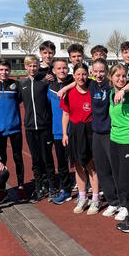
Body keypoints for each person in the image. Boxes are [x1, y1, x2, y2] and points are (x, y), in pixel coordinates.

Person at [61, 62, 101, 215]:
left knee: (91, 166)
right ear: (74, 75)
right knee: (77, 165)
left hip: (90, 130)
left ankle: (96, 199)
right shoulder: (69, 93)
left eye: (84, 74)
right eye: (78, 74)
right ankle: (82, 197)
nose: (81, 77)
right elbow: (65, 115)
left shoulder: (93, 88)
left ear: (88, 74)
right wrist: (65, 134)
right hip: (75, 131)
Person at [108, 64, 129, 231]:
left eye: (123, 76)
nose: (120, 79)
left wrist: (125, 90)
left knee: (127, 181)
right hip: (114, 140)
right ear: (111, 77)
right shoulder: (111, 93)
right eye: (117, 76)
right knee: (120, 180)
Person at [19, 55, 56, 202]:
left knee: (47, 158)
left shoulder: (45, 81)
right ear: (26, 67)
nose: (33, 68)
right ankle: (38, 186)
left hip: (44, 126)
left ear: (38, 66)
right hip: (29, 127)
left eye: (35, 65)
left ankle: (52, 186)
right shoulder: (22, 84)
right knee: (35, 159)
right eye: (30, 66)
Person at [0, 59, 25, 201]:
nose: (4, 72)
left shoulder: (16, 85)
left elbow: (21, 100)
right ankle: (2, 188)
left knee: (18, 158)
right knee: (1, 159)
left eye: (6, 70)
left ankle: (21, 186)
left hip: (15, 128)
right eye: (1, 70)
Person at [47, 58, 74, 204]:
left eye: (64, 68)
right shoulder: (50, 87)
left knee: (80, 162)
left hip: (75, 130)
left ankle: (85, 190)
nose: (62, 70)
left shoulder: (74, 84)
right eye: (59, 68)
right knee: (62, 163)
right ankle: (66, 189)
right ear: (54, 71)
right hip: (58, 131)